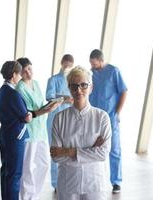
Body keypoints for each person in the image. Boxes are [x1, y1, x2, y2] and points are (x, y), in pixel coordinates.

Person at [50, 66, 111, 200]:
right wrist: (90, 151)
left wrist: (68, 152)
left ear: (91, 87)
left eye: (83, 85)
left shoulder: (102, 117)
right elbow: (56, 156)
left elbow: (102, 153)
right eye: (74, 86)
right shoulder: (60, 118)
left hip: (94, 182)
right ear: (69, 88)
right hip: (68, 183)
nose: (78, 90)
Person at [15, 57, 60, 199]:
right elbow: (27, 112)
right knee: (27, 167)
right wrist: (46, 110)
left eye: (30, 68)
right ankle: (27, 196)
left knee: (44, 164)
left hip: (41, 131)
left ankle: (33, 193)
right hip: (29, 132)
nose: (29, 72)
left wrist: (51, 105)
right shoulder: (20, 88)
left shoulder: (36, 83)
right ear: (20, 73)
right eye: (25, 70)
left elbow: (40, 104)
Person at [89, 49, 127, 193]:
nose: (92, 66)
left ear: (100, 60)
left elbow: (124, 91)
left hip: (111, 117)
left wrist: (117, 113)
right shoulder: (91, 73)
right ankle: (93, 180)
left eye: (93, 63)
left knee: (114, 149)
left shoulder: (113, 71)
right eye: (90, 63)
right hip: (94, 117)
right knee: (92, 147)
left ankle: (116, 182)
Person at [0, 61, 32, 200]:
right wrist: (28, 116)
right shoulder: (13, 93)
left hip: (6, 134)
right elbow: (26, 116)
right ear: (13, 75)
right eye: (19, 73)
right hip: (16, 137)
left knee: (6, 171)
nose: (21, 76)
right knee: (15, 174)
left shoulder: (2, 90)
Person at [46, 54, 74, 190]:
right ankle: (56, 183)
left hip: (70, 119)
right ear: (61, 63)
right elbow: (50, 98)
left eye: (70, 66)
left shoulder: (73, 82)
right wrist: (65, 98)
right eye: (65, 64)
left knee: (69, 149)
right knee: (55, 150)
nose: (67, 67)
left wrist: (64, 97)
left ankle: (67, 181)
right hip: (54, 119)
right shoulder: (53, 80)